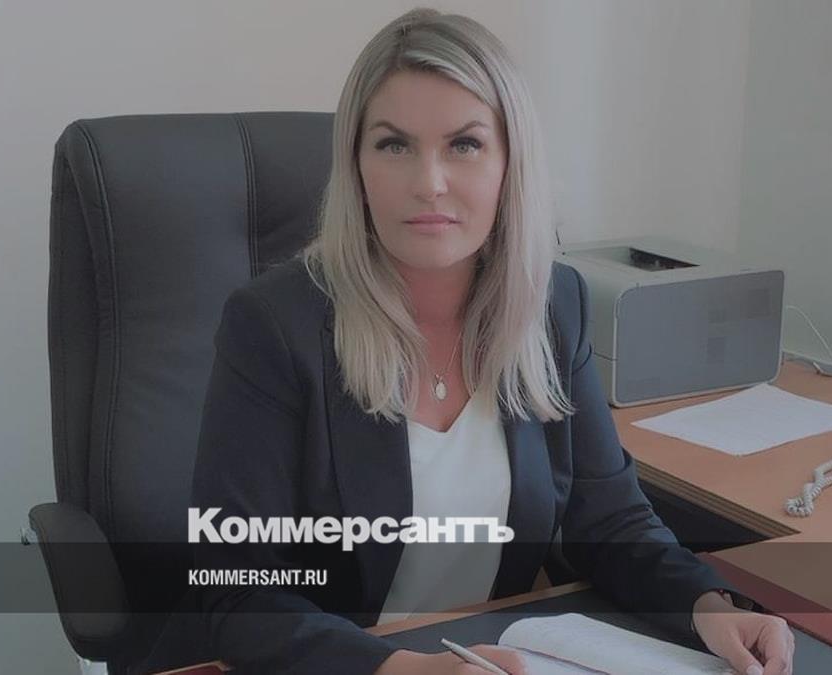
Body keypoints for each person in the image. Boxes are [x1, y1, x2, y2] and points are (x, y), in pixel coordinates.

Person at [188, 8, 795, 675]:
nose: (429, 182)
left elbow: (610, 521)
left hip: (494, 656)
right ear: (356, 167)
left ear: (510, 163)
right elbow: (234, 590)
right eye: (394, 145)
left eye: (465, 145)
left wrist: (709, 607)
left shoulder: (552, 305)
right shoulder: (274, 326)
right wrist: (403, 670)